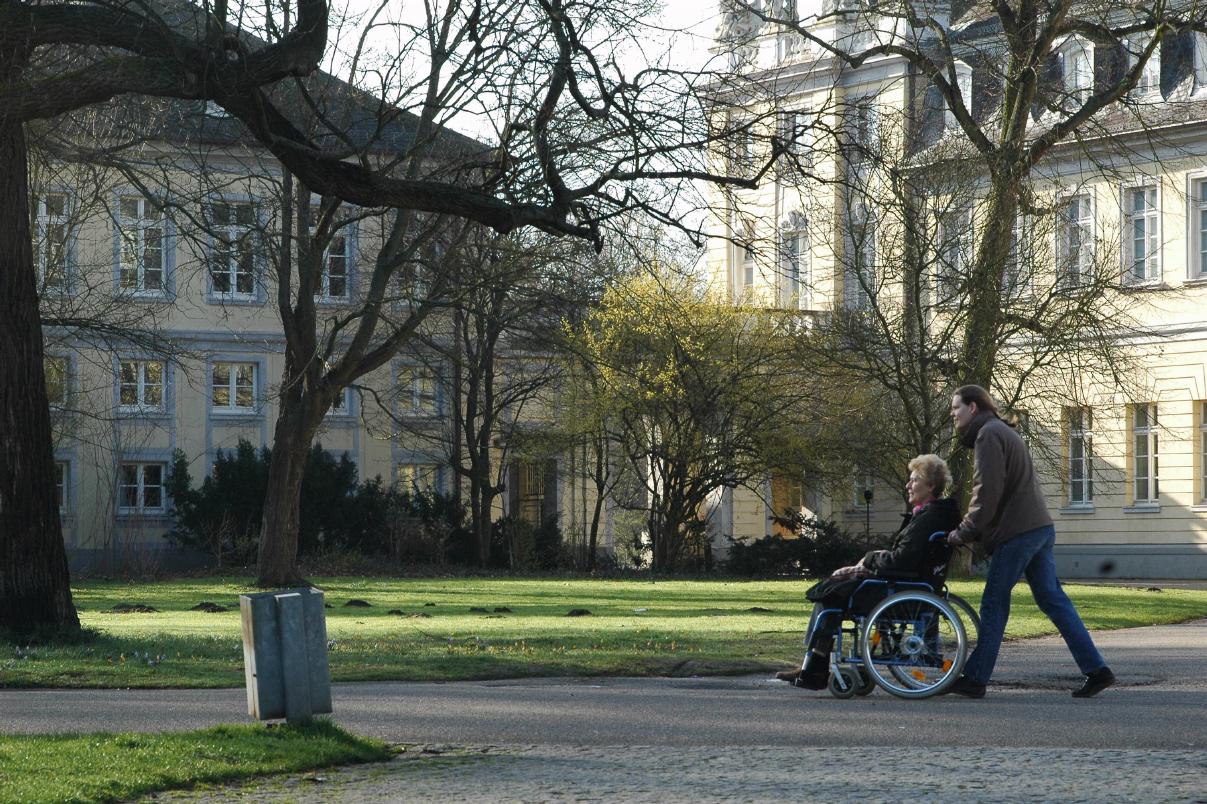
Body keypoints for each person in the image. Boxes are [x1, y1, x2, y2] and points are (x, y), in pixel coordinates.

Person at [945, 384, 1115, 698]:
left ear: (974, 407)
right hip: (1038, 528)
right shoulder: (1002, 431)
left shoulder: (988, 435)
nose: (952, 414)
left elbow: (986, 492)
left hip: (1018, 533)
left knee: (995, 602)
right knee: (1054, 601)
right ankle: (1097, 670)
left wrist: (964, 531)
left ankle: (976, 678)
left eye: (956, 407)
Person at [778, 454, 960, 689]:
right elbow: (906, 557)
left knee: (830, 596)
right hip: (909, 585)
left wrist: (870, 558)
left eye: (914, 480)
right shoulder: (932, 516)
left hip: (899, 589)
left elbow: (902, 559)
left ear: (931, 486)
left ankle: (814, 667)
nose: (908, 485)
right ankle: (813, 665)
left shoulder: (928, 519)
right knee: (832, 590)